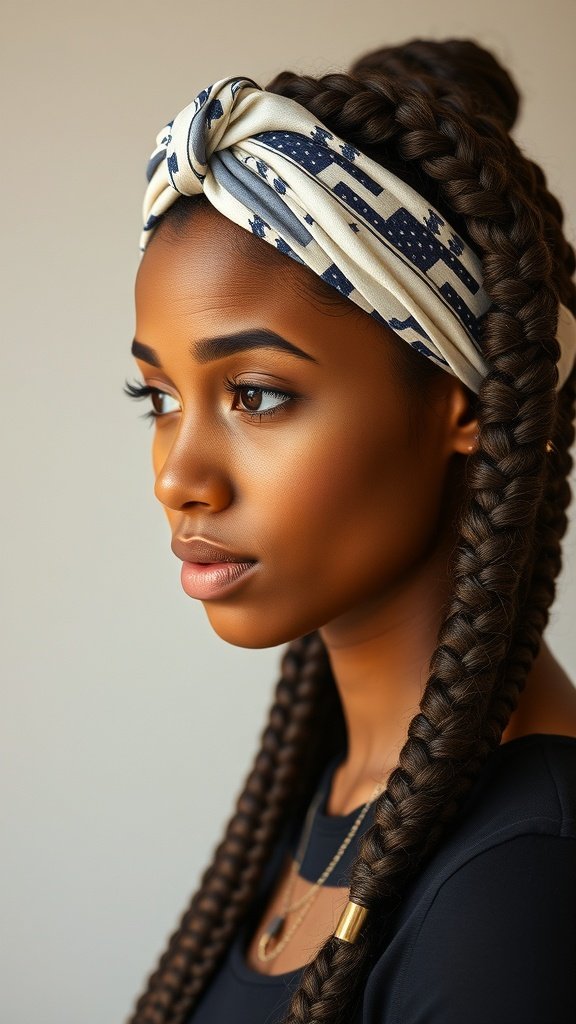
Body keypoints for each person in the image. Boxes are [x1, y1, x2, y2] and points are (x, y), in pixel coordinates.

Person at [124, 38, 576, 1024]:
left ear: (467, 401)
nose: (177, 475)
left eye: (256, 393)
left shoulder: (521, 888)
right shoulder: (346, 787)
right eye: (154, 394)